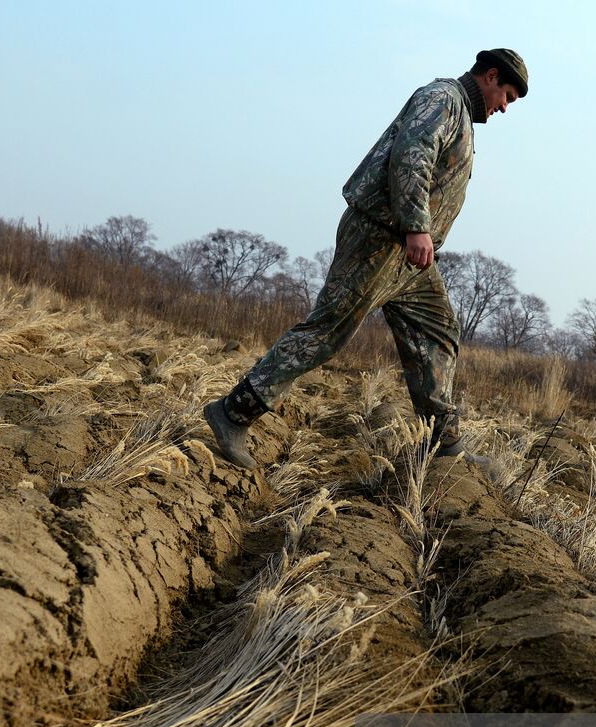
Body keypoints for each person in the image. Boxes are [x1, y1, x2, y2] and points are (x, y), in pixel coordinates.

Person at [204, 48, 529, 469]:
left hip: (408, 259)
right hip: (379, 239)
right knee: (327, 330)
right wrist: (416, 226)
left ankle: (442, 446)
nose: (504, 108)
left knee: (437, 329)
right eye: (507, 96)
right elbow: (412, 154)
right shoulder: (444, 99)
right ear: (490, 76)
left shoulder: (462, 114)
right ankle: (233, 413)